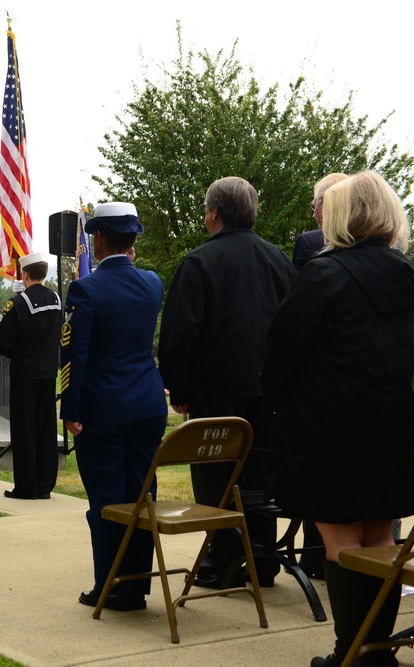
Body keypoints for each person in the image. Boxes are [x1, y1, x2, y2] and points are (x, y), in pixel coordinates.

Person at [262, 171, 414, 667]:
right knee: (379, 537)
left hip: (332, 432)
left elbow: (281, 353)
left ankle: (351, 652)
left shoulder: (323, 274)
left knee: (342, 543)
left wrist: (276, 401)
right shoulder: (406, 273)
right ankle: (376, 652)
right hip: (395, 430)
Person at [157, 176, 295, 590]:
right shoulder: (280, 262)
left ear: (214, 212)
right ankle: (261, 560)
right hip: (268, 394)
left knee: (217, 478)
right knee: (258, 478)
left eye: (204, 209)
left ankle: (223, 561)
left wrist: (178, 390)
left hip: (217, 393)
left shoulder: (199, 262)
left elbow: (181, 333)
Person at [59, 203, 167, 612]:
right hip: (147, 405)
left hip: (103, 409)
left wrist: (70, 409)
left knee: (106, 499)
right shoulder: (153, 284)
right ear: (133, 241)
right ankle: (136, 583)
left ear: (98, 239)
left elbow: (74, 355)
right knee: (142, 497)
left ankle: (110, 585)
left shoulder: (86, 289)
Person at [291, 172, 349, 579]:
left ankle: (316, 558)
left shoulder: (313, 249)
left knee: (326, 489)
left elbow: (296, 319)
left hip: (325, 386)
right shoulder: (398, 261)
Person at [0, 252, 61, 500]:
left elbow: (4, 341)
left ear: (24, 274)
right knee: (45, 428)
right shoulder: (55, 298)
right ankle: (45, 484)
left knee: (24, 431)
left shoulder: (18, 303)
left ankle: (26, 486)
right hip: (47, 373)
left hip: (24, 373)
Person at [293, 173, 349, 270]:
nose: (313, 215)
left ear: (326, 202)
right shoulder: (377, 241)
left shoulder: (308, 242)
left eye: (314, 206)